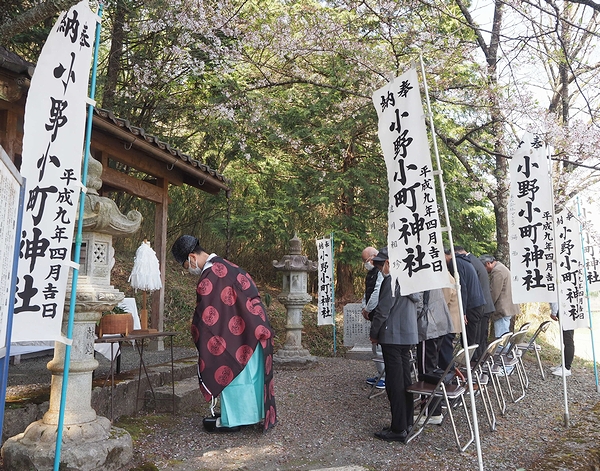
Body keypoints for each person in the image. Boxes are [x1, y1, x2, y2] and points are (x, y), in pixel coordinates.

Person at [171, 235, 277, 432]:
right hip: (255, 330)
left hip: (239, 338)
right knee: (251, 377)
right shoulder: (227, 265)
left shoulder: (210, 277)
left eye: (186, 266)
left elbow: (206, 318)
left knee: (235, 374)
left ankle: (235, 420)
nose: (189, 271)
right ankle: (250, 415)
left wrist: (197, 331)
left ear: (192, 257)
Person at [369, 247, 419, 443]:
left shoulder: (392, 281)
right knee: (405, 381)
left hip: (392, 336)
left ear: (390, 263)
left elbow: (382, 311)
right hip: (407, 335)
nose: (381, 268)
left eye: (382, 264)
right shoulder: (411, 280)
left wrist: (374, 333)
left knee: (394, 384)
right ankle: (406, 422)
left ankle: (398, 428)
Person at [415, 287, 453, 425]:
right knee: (433, 368)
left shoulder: (421, 274)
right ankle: (434, 410)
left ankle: (429, 412)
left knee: (426, 371)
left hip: (428, 325)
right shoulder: (432, 271)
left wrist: (412, 321)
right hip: (439, 321)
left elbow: (418, 302)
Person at [444, 248, 485, 357]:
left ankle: (470, 366)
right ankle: (474, 364)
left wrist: (462, 311)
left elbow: (462, 288)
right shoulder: (465, 261)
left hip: (471, 305)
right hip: (478, 303)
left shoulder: (455, 263)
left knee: (468, 340)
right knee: (473, 339)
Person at [455, 246, 494, 359]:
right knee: (479, 339)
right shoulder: (474, 261)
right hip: (483, 305)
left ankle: (473, 363)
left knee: (473, 339)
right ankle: (478, 362)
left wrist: (463, 310)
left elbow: (465, 287)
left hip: (476, 305)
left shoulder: (468, 262)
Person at [361, 246, 385, 389]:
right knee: (375, 346)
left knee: (380, 346)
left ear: (375, 256)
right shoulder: (370, 273)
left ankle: (385, 376)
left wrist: (369, 309)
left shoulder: (381, 271)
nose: (366, 263)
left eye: (367, 260)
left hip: (379, 313)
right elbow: (367, 292)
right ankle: (380, 373)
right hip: (372, 313)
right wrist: (364, 307)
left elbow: (377, 292)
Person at [480, 255, 520, 338]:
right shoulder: (501, 267)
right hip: (507, 306)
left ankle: (503, 349)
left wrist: (486, 307)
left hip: (502, 308)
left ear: (488, 264)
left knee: (501, 337)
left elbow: (494, 291)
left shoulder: (498, 271)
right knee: (503, 333)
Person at [550, 302, 574, 377]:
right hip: (567, 309)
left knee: (568, 340)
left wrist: (554, 312)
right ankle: (564, 365)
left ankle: (567, 368)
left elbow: (554, 298)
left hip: (565, 310)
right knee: (567, 339)